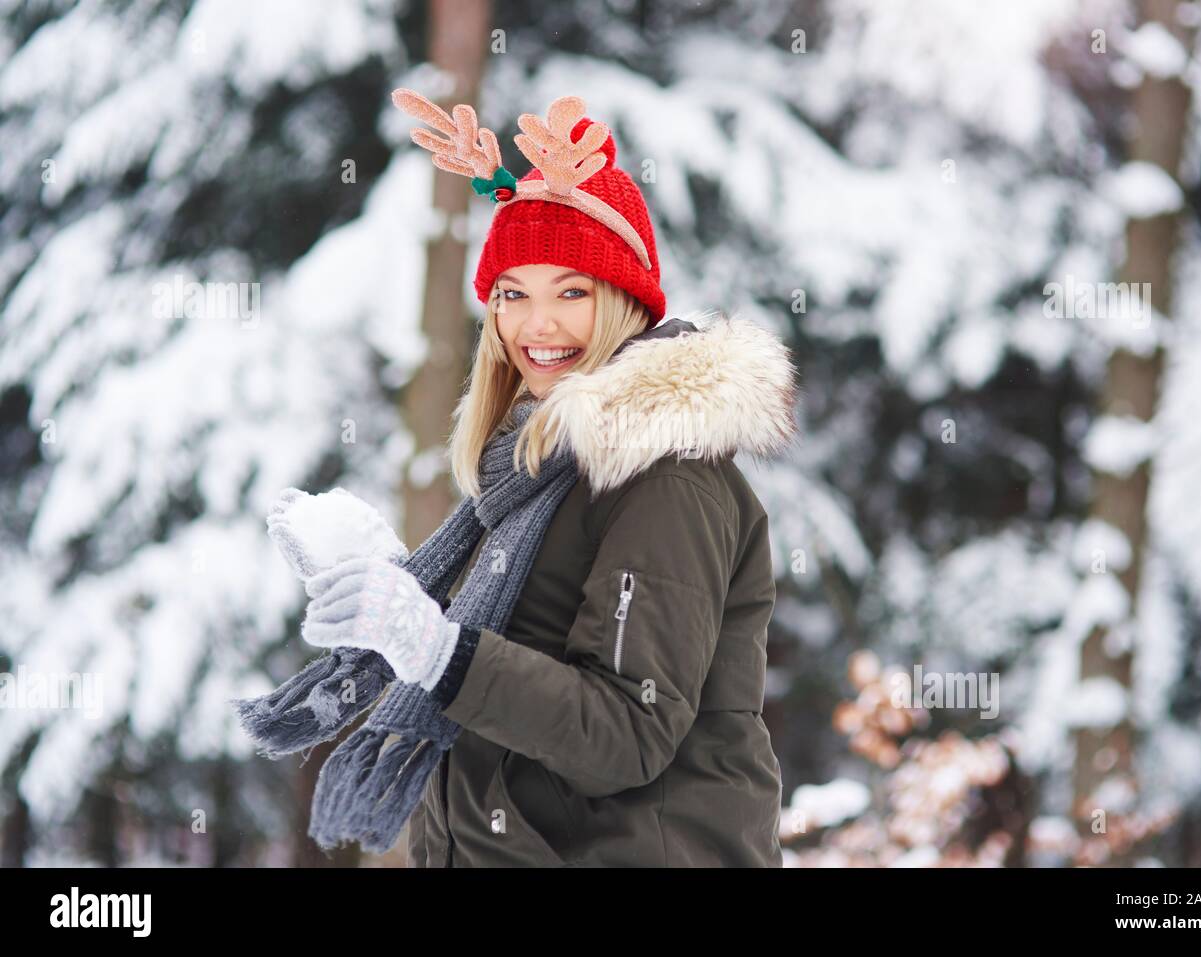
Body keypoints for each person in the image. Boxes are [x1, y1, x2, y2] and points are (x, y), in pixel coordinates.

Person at [262, 92, 800, 867]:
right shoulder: (531, 473)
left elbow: (624, 732)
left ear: (624, 302)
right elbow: (512, 674)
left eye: (571, 292)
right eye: (513, 294)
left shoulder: (666, 476)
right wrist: (393, 590)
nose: (536, 326)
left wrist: (433, 644)